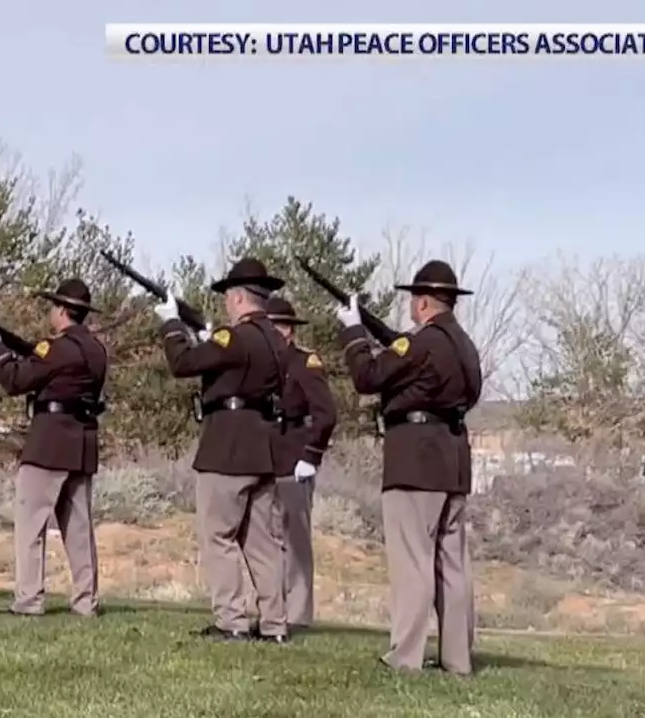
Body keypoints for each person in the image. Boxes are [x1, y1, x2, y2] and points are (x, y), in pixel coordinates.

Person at [334, 259, 482, 675]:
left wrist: (351, 329)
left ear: (421, 303)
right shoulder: (464, 346)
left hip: (415, 460)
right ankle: (457, 658)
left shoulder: (422, 343)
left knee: (413, 562)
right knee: (452, 566)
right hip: (452, 460)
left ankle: (406, 657)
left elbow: (367, 375)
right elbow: (413, 360)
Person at [153, 257, 290, 643]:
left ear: (238, 297)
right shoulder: (276, 341)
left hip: (227, 447)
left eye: (229, 296)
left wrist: (171, 324)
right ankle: (275, 624)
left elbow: (183, 363)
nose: (226, 303)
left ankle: (232, 620)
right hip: (262, 447)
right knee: (262, 542)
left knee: (219, 537)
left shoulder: (235, 338)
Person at [0, 279, 107, 617]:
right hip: (82, 443)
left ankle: (29, 600)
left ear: (63, 311)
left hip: (50, 443)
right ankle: (85, 601)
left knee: (30, 525)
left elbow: (14, 381)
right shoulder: (96, 350)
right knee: (79, 531)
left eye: (54, 307)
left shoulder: (57, 348)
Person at [265, 296, 337, 634]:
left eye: (276, 327)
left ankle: (298, 613)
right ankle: (272, 608)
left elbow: (326, 413)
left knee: (295, 539)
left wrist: (311, 455)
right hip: (265, 459)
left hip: (295, 457)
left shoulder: (305, 362)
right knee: (267, 539)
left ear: (289, 330)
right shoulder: (262, 363)